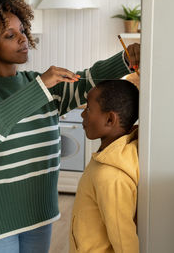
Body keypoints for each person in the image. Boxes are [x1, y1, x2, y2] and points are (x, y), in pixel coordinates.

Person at [0, 0, 140, 253]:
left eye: (22, 30)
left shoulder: (39, 85)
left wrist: (126, 60)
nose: (23, 38)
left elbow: (87, 80)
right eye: (10, 35)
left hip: (38, 214)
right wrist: (40, 88)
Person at [69, 80, 140, 253]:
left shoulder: (111, 176)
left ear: (110, 119)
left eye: (89, 109)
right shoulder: (110, 155)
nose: (82, 115)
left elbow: (125, 242)